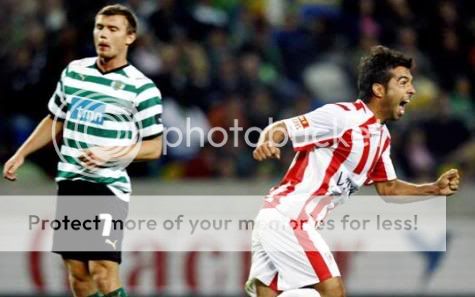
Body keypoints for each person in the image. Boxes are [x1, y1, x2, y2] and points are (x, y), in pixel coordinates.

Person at [246, 45, 460, 297]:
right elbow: (283, 127)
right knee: (333, 291)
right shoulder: (342, 117)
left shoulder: (381, 138)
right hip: (289, 218)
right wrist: (268, 140)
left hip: (276, 219)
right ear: (379, 89)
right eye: (403, 82)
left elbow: (389, 188)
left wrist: (433, 188)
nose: (411, 90)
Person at [3, 4, 163, 297]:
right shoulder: (75, 72)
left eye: (112, 29)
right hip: (72, 181)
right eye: (99, 27)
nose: (103, 34)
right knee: (78, 273)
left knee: (103, 270)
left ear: (129, 38)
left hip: (107, 185)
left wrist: (111, 153)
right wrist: (20, 153)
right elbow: (55, 119)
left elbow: (155, 147)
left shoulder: (142, 88)